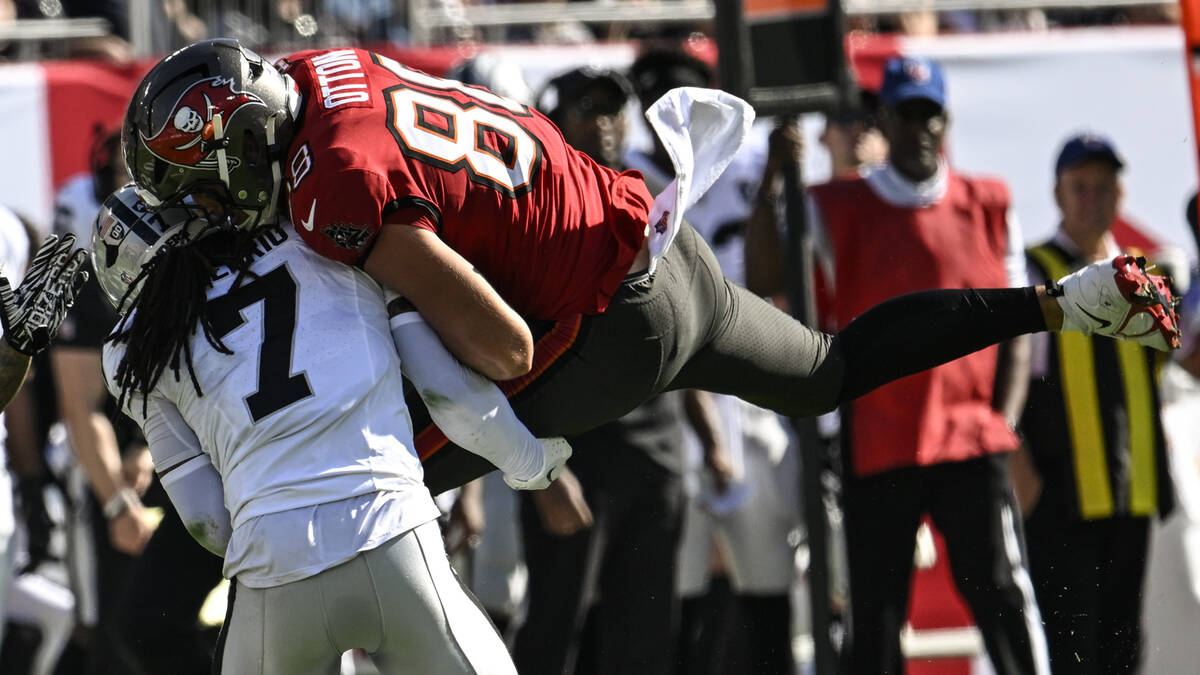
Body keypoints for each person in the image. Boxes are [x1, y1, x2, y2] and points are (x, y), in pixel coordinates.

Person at [121, 39, 1181, 499]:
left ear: (249, 143)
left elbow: (503, 344)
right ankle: (1059, 303)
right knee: (827, 372)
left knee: (364, 479)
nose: (211, 213)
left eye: (206, 185)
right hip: (649, 238)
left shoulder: (330, 188)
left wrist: (507, 447)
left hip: (600, 335)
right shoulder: (320, 72)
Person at [94, 184, 570, 673]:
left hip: (272, 573)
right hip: (394, 536)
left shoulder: (136, 348)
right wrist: (532, 464)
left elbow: (209, 522)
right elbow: (454, 397)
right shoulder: (321, 233)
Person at [799, 56, 1048, 674]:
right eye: (906, 113)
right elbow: (796, 307)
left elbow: (1020, 322)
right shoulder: (835, 205)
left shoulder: (988, 202)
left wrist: (1004, 424)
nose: (919, 127)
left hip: (969, 441)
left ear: (947, 119)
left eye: (928, 113)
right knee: (876, 621)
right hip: (879, 441)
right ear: (884, 118)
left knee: (1004, 604)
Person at [512, 65, 720, 675]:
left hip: (654, 443)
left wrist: (707, 440)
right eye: (586, 109)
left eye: (613, 109)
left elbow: (689, 324)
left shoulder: (660, 197)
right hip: (570, 446)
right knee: (555, 621)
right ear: (556, 118)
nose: (603, 123)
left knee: (647, 630)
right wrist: (540, 470)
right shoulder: (529, 205)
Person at [623, 47, 800, 674]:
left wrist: (777, 176)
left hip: (746, 386)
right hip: (670, 394)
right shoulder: (624, 174)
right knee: (673, 589)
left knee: (769, 578)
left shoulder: (748, 163)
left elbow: (773, 276)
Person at [1012, 133, 1175, 674]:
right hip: (1062, 498)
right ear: (1058, 194)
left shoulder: (1145, 276)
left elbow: (1175, 366)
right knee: (1072, 651)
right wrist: (1025, 479)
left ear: (1119, 196)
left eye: (1103, 187)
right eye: (1079, 187)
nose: (1092, 199)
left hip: (1132, 493)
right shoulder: (1034, 272)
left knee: (1125, 646)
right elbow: (1004, 385)